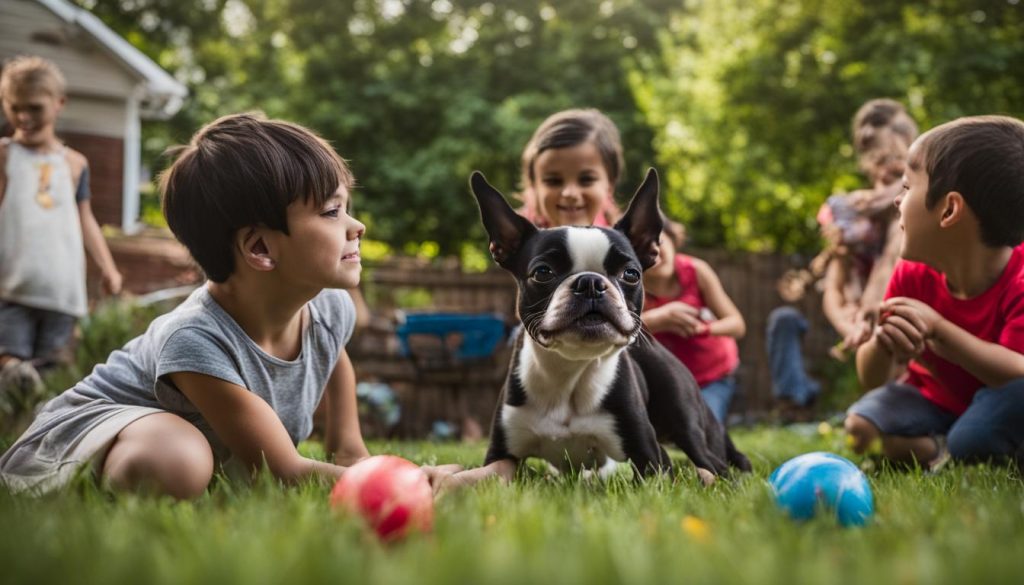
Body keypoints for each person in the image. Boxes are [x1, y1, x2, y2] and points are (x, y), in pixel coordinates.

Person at [0, 112, 458, 498]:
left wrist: (371, 465)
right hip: (82, 433)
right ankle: (104, 488)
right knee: (180, 459)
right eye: (332, 211)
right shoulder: (195, 339)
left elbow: (347, 441)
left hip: (176, 441)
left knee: (194, 459)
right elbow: (282, 471)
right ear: (260, 247)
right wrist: (415, 487)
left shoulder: (331, 310)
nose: (356, 225)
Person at [845, 115, 1024, 470]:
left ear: (949, 210)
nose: (897, 200)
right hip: (932, 397)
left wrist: (938, 329)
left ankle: (964, 443)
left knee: (972, 441)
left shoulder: (1019, 279)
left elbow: (1017, 373)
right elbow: (871, 378)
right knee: (860, 429)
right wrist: (883, 341)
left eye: (908, 187)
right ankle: (935, 450)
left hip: (1005, 398)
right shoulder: (912, 274)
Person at [766, 99, 918, 421]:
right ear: (868, 162)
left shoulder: (915, 209)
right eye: (881, 160)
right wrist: (847, 321)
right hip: (864, 315)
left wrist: (873, 304)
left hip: (902, 306)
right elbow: (836, 283)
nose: (890, 169)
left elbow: (892, 255)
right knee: (882, 379)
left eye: (899, 160)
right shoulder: (850, 213)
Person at [0, 55, 123, 410]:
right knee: (9, 361)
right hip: (12, 285)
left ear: (58, 104)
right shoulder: (6, 155)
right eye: (14, 107)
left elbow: (85, 219)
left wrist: (109, 268)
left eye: (34, 108)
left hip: (60, 290)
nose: (23, 118)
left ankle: (35, 437)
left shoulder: (75, 163)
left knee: (51, 372)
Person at [641, 217, 745, 424]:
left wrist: (701, 329)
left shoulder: (696, 271)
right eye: (641, 246)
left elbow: (737, 324)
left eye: (658, 241)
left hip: (712, 377)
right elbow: (615, 331)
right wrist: (659, 319)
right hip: (662, 382)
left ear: (672, 241)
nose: (653, 250)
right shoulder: (627, 283)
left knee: (703, 428)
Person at [517, 108, 624, 228]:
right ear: (533, 185)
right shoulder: (515, 242)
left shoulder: (629, 242)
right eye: (554, 181)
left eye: (586, 180)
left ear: (610, 184)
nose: (570, 193)